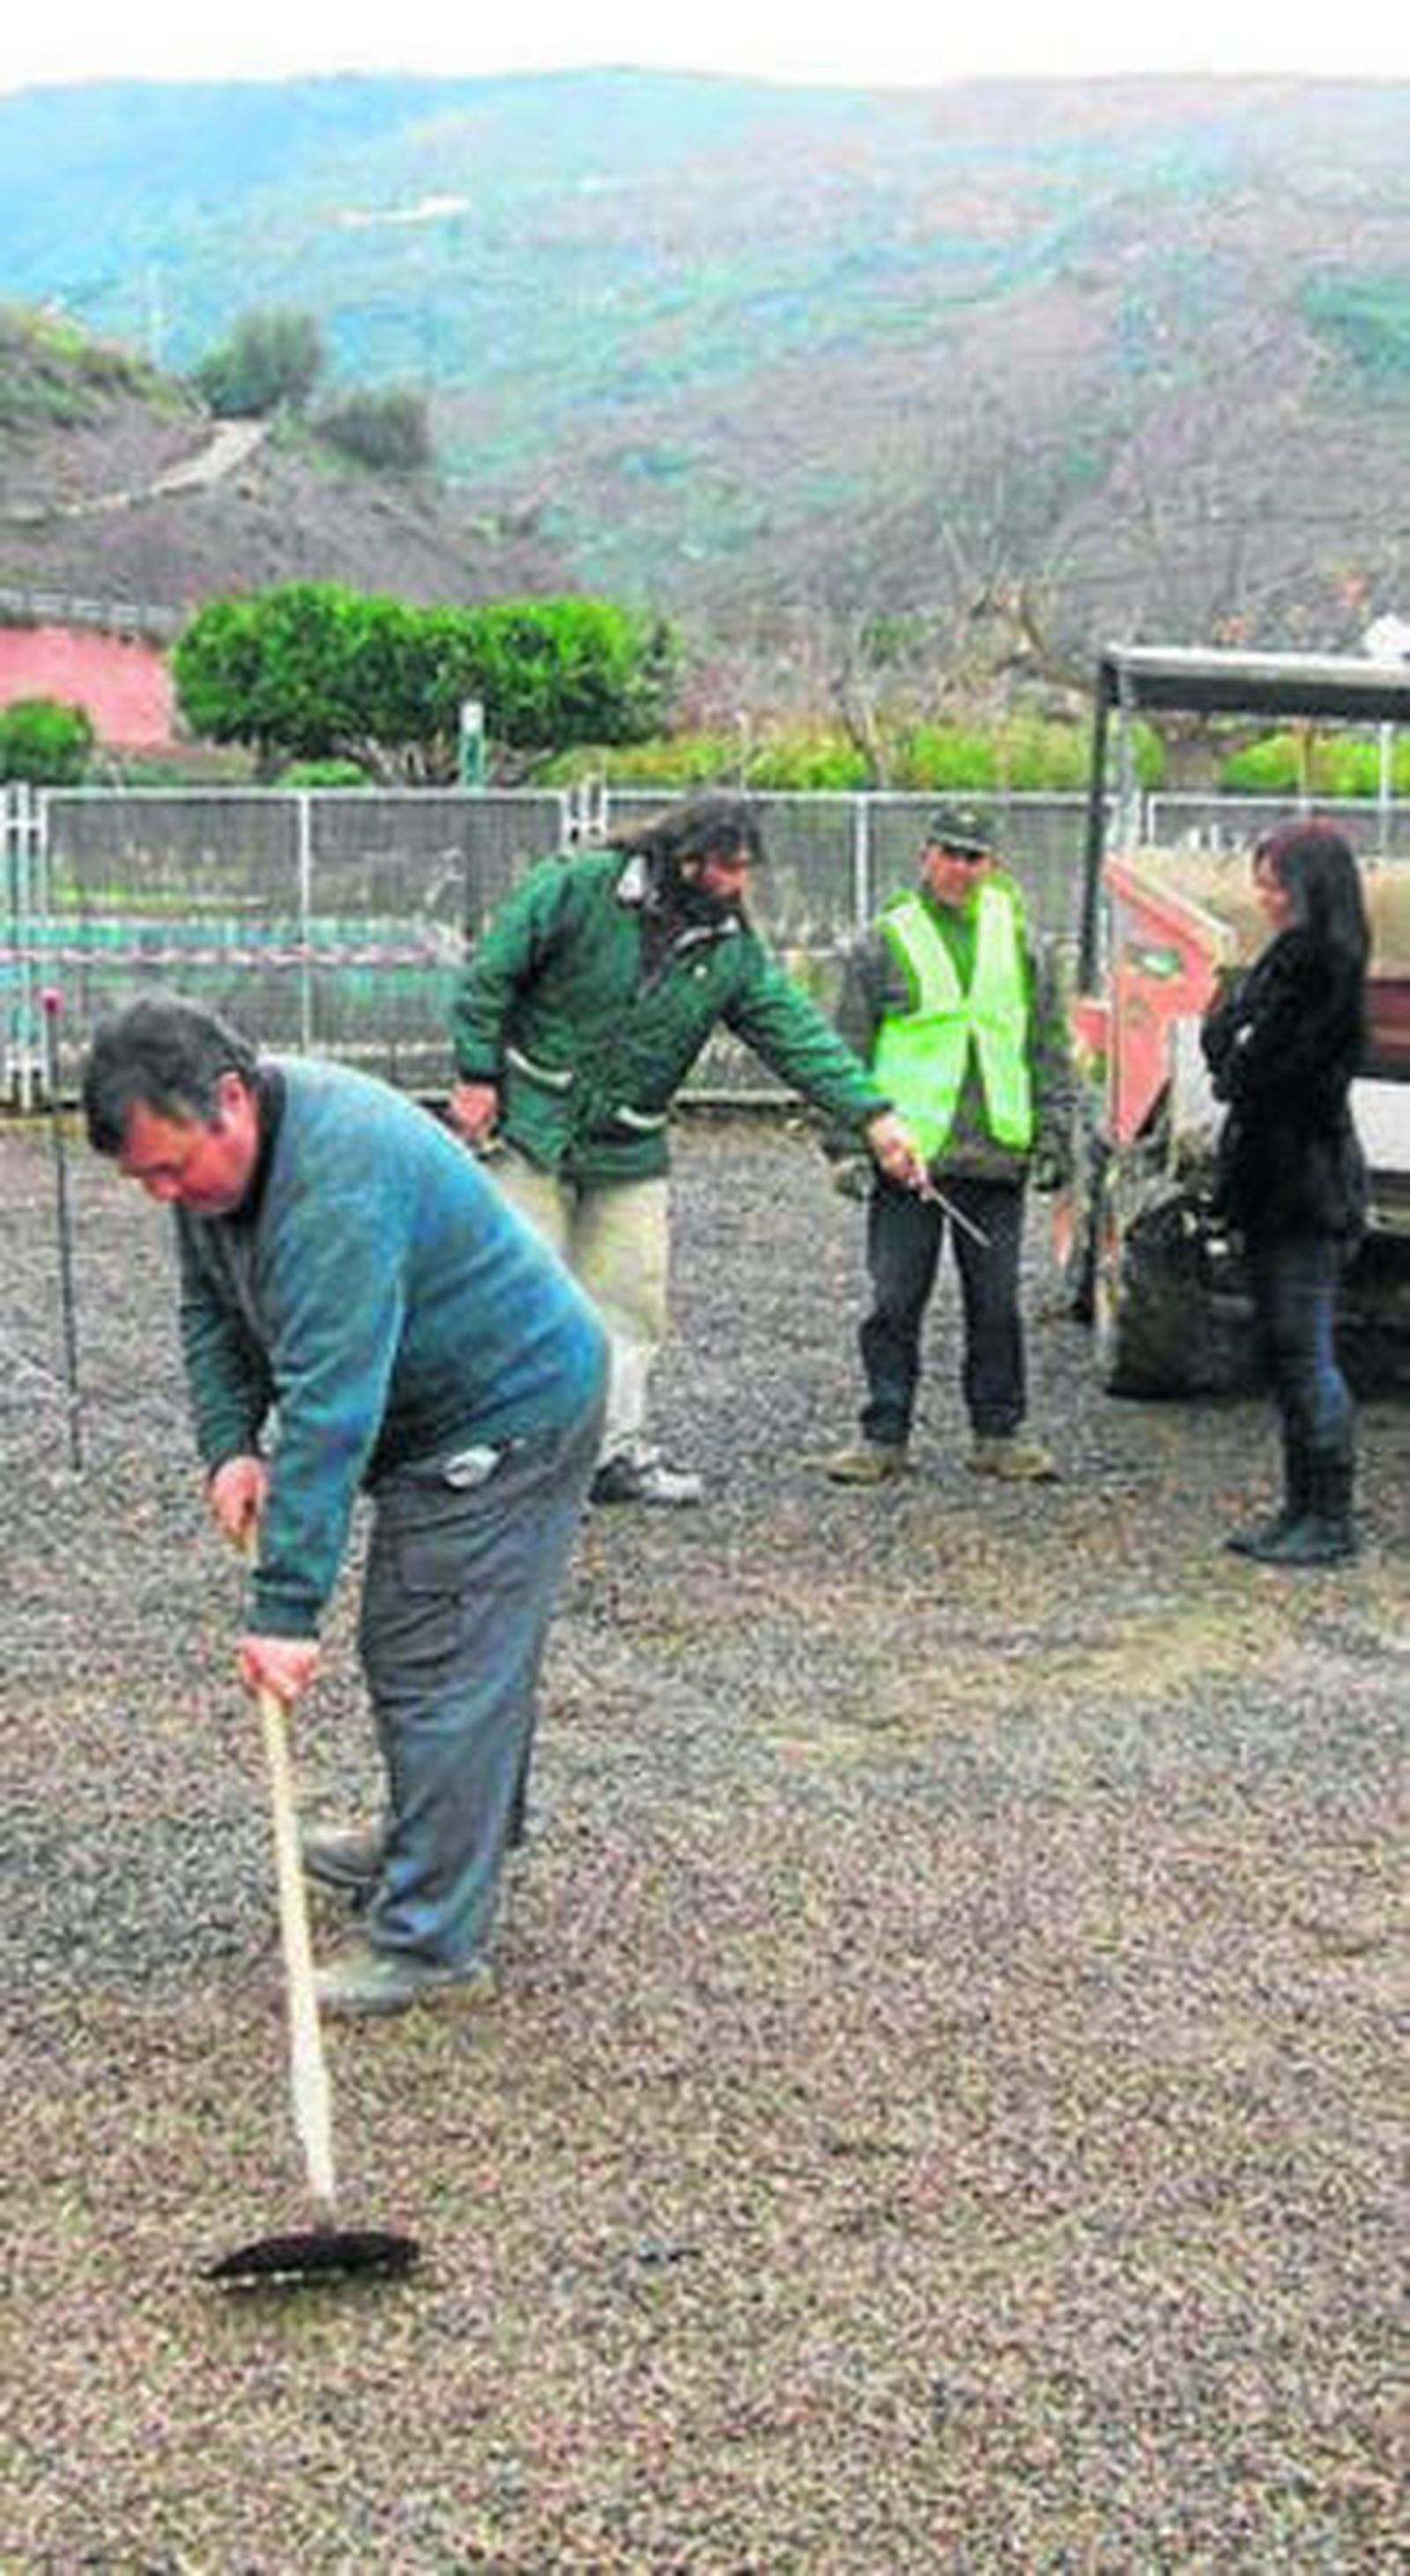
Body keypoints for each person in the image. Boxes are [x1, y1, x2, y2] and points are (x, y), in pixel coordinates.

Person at [82, 994, 608, 2017]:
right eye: (146, 1179)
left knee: (439, 1654)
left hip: (510, 1410)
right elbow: (210, 1306)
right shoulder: (217, 1177)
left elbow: (330, 1409)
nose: (166, 1194)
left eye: (171, 1167)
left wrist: (284, 1612)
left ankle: (431, 1941)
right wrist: (230, 1445)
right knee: (443, 1649)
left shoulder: (335, 1182)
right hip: (445, 1412)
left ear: (231, 1099)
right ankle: (439, 1837)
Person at [447, 794, 928, 1505]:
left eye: (745, 869)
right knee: (517, 1285)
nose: (736, 883)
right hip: (534, 1120)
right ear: (684, 858)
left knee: (630, 1301)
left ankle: (611, 1452)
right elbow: (492, 974)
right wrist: (476, 1073)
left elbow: (792, 1031)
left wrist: (874, 1116)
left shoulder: (728, 949)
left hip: (628, 1140)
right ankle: (494, 1446)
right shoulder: (580, 887)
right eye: (725, 867)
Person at [814, 803, 1071, 1486]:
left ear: (992, 865)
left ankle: (998, 1434)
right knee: (894, 1303)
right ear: (926, 855)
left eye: (973, 856)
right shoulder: (884, 941)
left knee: (998, 1306)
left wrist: (1055, 1134)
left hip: (997, 1157)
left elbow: (1047, 1047)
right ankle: (883, 1436)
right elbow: (847, 1048)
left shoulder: (1022, 942)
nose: (960, 867)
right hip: (908, 1160)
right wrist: (846, 1146)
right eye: (949, 852)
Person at [1201, 819, 1369, 1565]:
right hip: (1284, 1181)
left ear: (1308, 885)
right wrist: (1235, 1042)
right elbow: (1228, 1042)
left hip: (1303, 1186)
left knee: (1304, 1353)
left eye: (1274, 884)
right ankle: (1303, 1508)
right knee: (1288, 1352)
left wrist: (1237, 1043)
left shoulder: (1316, 963)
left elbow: (1253, 1063)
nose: (1264, 897)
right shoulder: (1304, 956)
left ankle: (1327, 1516)